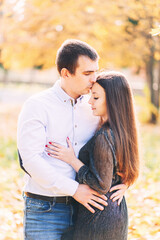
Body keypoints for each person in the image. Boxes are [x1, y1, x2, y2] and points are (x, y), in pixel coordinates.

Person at [17, 39, 127, 240]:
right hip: (45, 209)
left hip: (88, 211)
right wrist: (74, 190)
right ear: (65, 73)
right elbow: (30, 160)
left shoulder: (95, 104)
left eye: (95, 71)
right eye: (87, 73)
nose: (94, 79)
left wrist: (128, 180)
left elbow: (121, 141)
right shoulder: (37, 105)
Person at [46, 71, 140, 240]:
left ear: (113, 101)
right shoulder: (122, 131)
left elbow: (101, 184)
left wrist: (72, 160)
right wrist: (125, 183)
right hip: (117, 212)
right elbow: (129, 168)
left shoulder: (104, 136)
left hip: (99, 218)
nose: (90, 102)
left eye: (96, 98)